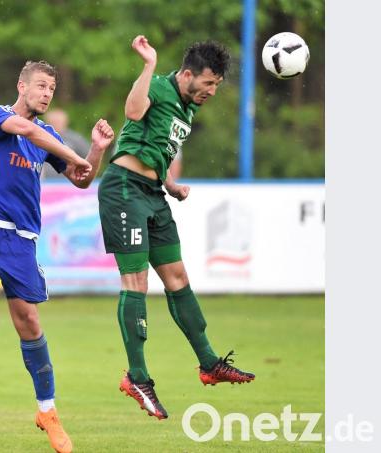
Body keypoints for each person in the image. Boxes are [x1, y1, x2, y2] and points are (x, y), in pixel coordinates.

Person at [0, 61, 114, 453]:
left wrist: (94, 151)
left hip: (20, 238)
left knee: (30, 321)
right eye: (40, 86)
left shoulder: (49, 135)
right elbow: (28, 130)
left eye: (52, 89)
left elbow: (82, 179)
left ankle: (47, 411)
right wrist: (74, 154)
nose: (46, 93)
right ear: (21, 86)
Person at [97, 36, 255, 421]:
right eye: (208, 83)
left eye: (216, 85)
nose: (212, 91)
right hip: (123, 189)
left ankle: (209, 362)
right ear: (187, 74)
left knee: (178, 277)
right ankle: (137, 377)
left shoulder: (188, 105)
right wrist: (148, 64)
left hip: (152, 193)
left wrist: (168, 183)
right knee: (135, 283)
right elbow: (133, 114)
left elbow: (155, 146)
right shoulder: (160, 85)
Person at [40, 108, 90, 179]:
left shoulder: (75, 139)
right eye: (53, 122)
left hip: (68, 183)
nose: (55, 124)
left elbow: (88, 156)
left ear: (65, 122)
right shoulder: (40, 137)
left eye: (58, 122)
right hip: (44, 182)